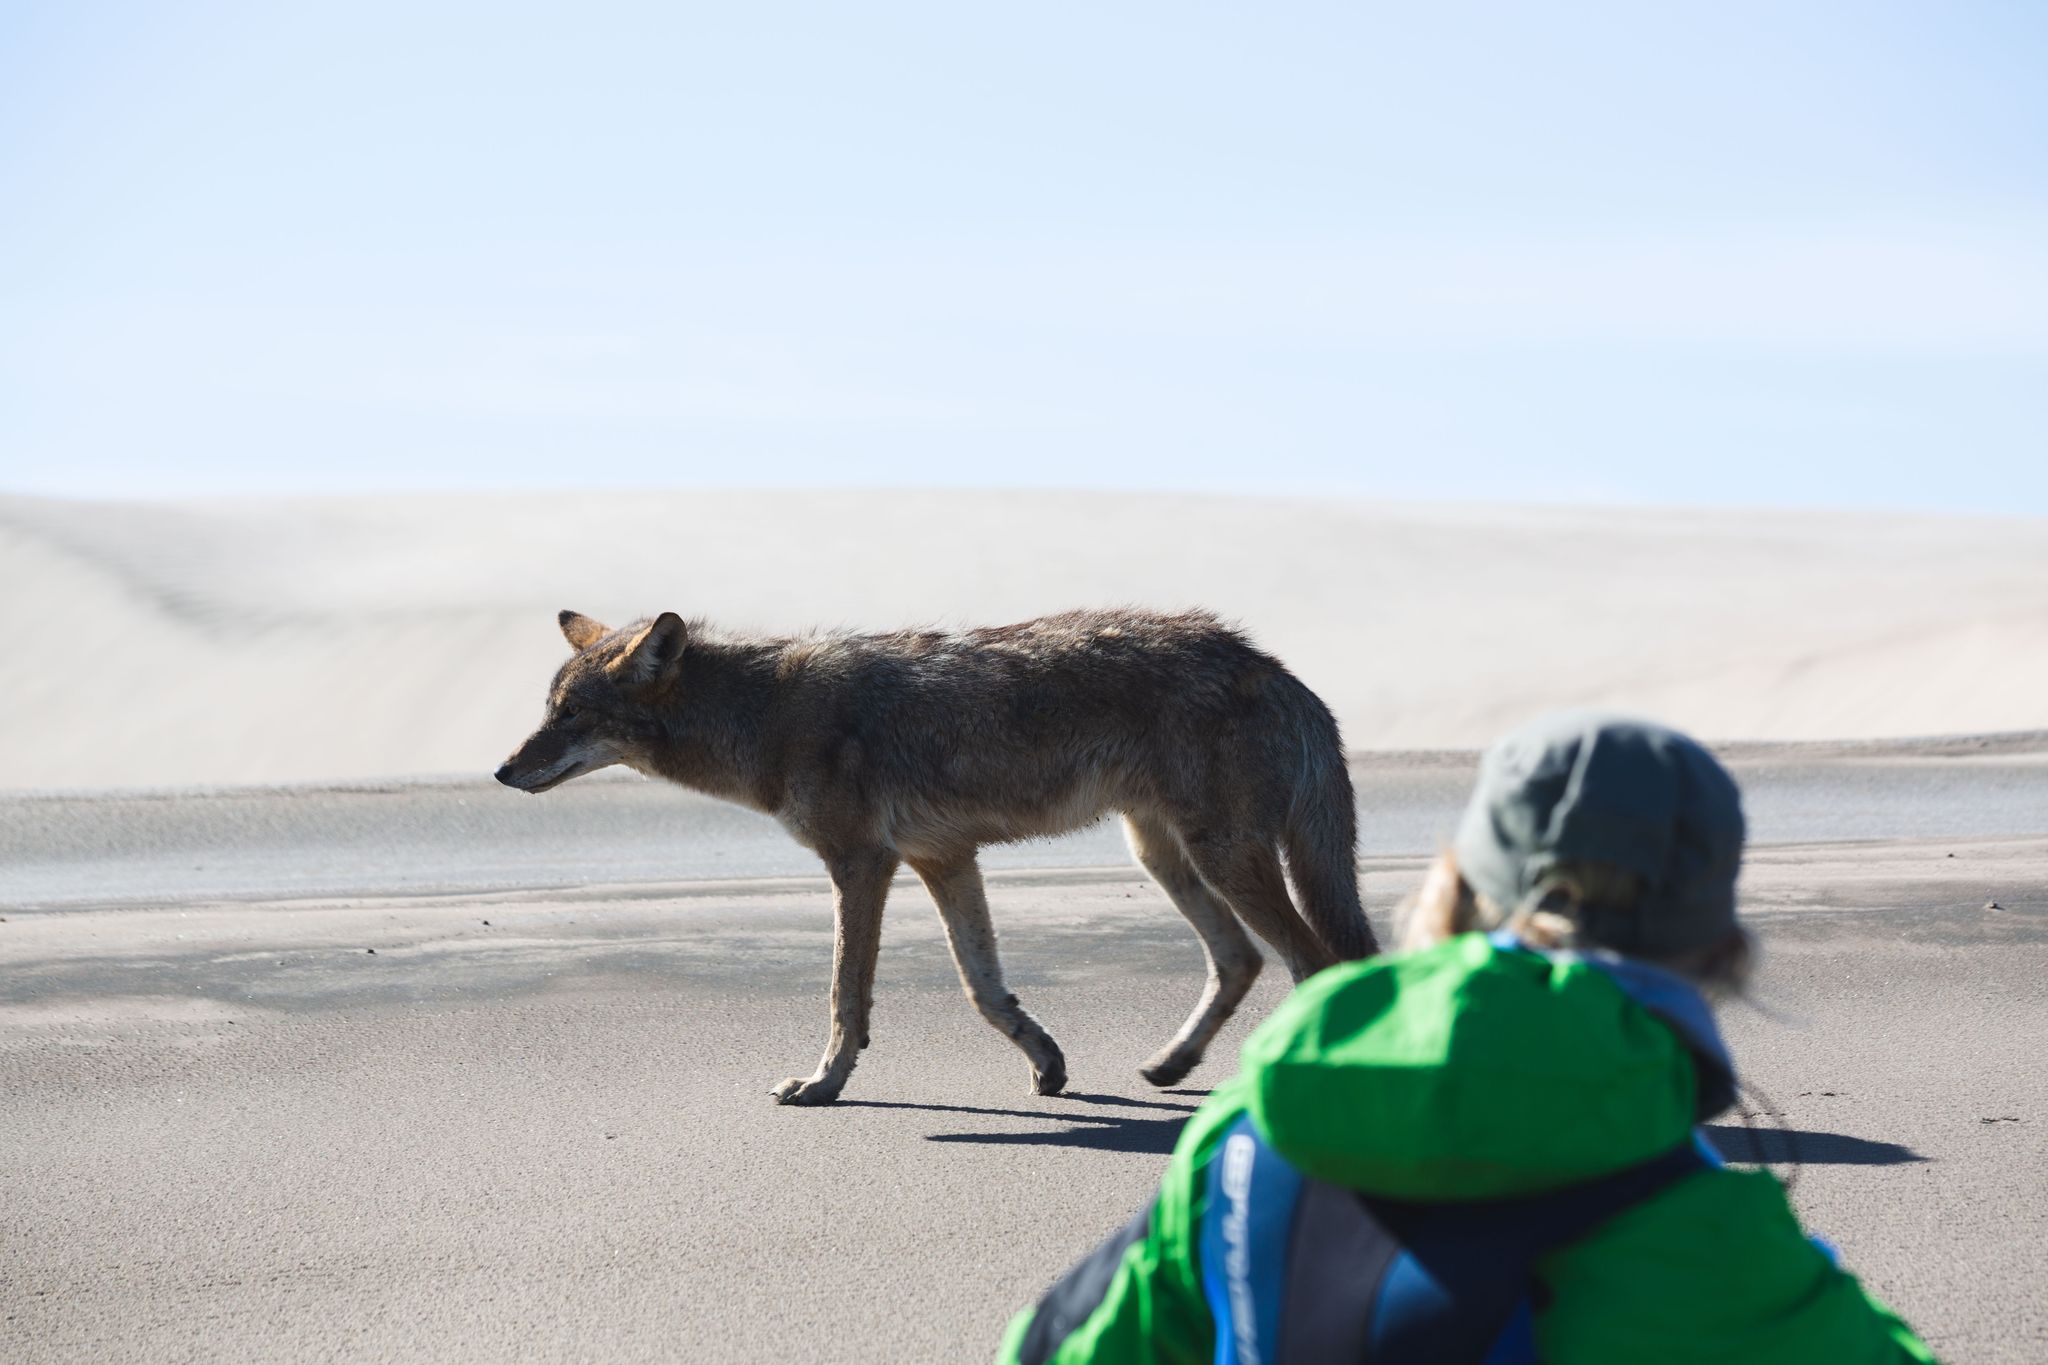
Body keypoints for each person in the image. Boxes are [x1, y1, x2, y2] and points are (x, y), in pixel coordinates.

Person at [997, 711, 1934, 1364]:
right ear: (1722, 954)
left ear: (1450, 890)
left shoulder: (1242, 1142)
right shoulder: (1710, 1240)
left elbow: (1048, 1348)